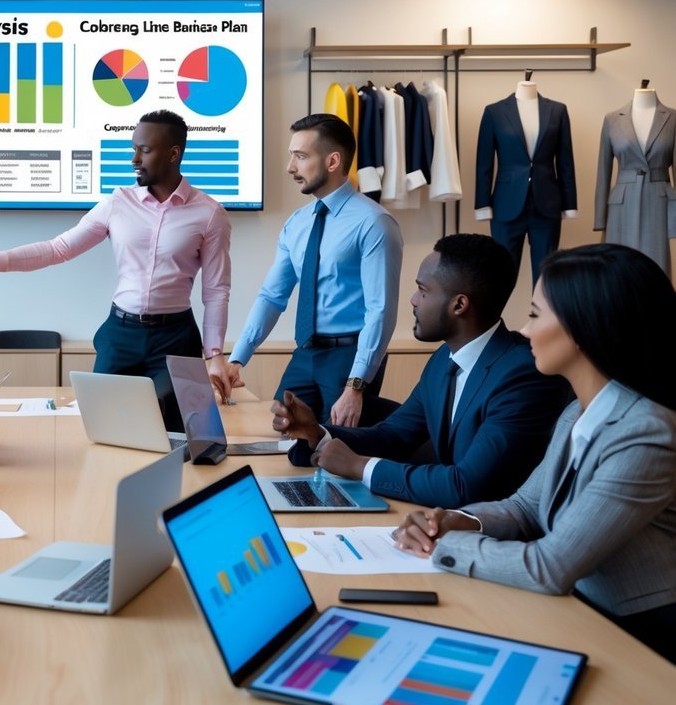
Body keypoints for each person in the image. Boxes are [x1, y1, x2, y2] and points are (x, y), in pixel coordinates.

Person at [394, 244, 676, 664]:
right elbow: (525, 507)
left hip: (640, 635)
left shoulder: (646, 434)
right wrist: (456, 520)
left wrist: (441, 547)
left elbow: (550, 564)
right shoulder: (577, 413)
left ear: (584, 329)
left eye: (534, 315)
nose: (524, 332)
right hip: (580, 611)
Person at [0, 109, 231, 431]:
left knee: (185, 433)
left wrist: (214, 353)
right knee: (106, 429)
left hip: (176, 339)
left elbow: (216, 290)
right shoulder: (118, 203)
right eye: (133, 148)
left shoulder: (208, 213)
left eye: (144, 150)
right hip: (121, 335)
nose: (134, 158)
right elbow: (58, 248)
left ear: (174, 153)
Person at [270, 234, 571, 507]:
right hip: (438, 521)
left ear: (459, 305)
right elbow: (394, 435)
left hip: (495, 538)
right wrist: (316, 433)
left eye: (422, 291)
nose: (413, 301)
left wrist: (360, 466)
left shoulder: (523, 375)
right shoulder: (444, 359)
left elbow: (466, 485)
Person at [219, 114, 403, 427]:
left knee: (336, 452)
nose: (291, 167)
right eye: (292, 156)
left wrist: (356, 385)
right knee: (287, 435)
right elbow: (272, 296)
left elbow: (380, 311)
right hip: (305, 353)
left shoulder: (374, 223)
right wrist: (238, 357)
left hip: (349, 355)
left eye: (301, 156)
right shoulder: (298, 223)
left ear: (333, 161)